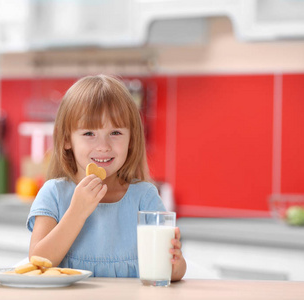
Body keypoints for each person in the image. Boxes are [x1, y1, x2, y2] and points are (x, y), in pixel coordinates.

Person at [26, 75, 186, 281]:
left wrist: (175, 262)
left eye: (116, 132)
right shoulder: (54, 193)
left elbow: (171, 274)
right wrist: (77, 212)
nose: (103, 146)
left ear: (131, 139)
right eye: (89, 133)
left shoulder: (144, 197)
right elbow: (38, 261)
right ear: (66, 139)